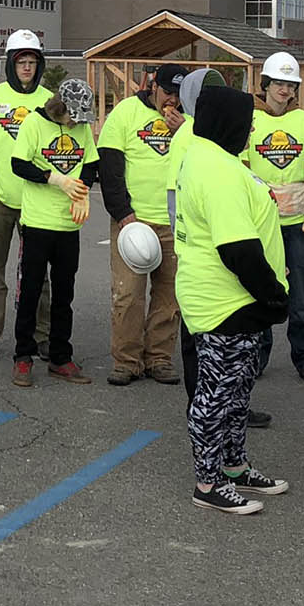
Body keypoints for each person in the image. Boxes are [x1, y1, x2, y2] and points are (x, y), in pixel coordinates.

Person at [173, 84, 290, 513]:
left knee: (239, 392)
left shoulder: (212, 158)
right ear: (229, 124)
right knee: (215, 395)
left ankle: (235, 466)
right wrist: (275, 296)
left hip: (236, 300)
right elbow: (237, 249)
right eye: (247, 120)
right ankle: (207, 483)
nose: (253, 126)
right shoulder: (218, 170)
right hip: (226, 301)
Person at [96, 63, 187, 386]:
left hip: (175, 222)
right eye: (168, 93)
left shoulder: (190, 121)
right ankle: (126, 360)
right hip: (134, 221)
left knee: (170, 296)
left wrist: (183, 130)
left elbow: (205, 159)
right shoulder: (125, 113)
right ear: (152, 87)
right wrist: (122, 213)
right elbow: (108, 166)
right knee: (128, 294)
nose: (172, 101)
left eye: (179, 94)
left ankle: (159, 358)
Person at [8, 78, 100, 386]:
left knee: (65, 294)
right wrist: (55, 179)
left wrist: (83, 190)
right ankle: (23, 357)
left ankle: (61, 356)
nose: (76, 122)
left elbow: (90, 164)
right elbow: (18, 165)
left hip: (67, 225)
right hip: (37, 222)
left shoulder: (82, 128)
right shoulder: (34, 123)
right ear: (60, 107)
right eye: (72, 116)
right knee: (31, 292)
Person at [0, 31, 53, 362]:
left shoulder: (49, 100)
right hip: (0, 197)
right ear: (10, 65)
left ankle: (41, 333)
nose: (27, 68)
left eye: (33, 62)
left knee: (38, 270)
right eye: (22, 63)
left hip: (38, 199)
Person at [243, 51, 304, 385]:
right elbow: (242, 171)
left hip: (297, 225)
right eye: (278, 83)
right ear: (265, 84)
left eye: (290, 84)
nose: (284, 90)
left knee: (300, 296)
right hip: (262, 225)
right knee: (261, 291)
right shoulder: (249, 119)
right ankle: (258, 357)